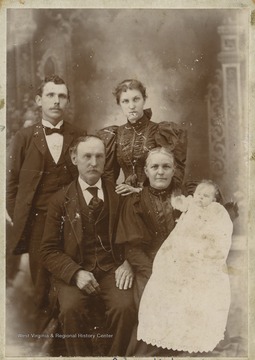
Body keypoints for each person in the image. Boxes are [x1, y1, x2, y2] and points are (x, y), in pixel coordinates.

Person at [40, 135, 136, 357]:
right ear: (74, 158)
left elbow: (134, 238)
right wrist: (75, 273)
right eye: (87, 156)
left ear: (105, 160)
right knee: (71, 310)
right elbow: (48, 250)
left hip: (112, 269)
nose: (94, 163)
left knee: (125, 308)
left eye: (99, 156)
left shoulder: (119, 195)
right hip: (75, 271)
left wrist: (128, 263)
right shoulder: (59, 200)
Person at [6, 74, 86, 314]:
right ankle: (45, 340)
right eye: (50, 95)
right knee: (41, 281)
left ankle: (67, 335)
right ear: (39, 100)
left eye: (62, 96)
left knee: (72, 275)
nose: (56, 101)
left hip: (73, 220)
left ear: (68, 102)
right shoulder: (24, 137)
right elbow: (11, 184)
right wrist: (22, 217)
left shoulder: (79, 134)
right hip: (38, 222)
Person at [137, 180, 233, 354]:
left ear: (215, 200)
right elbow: (177, 204)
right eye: (198, 194)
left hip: (201, 256)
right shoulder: (191, 205)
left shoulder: (215, 212)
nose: (200, 198)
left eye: (206, 196)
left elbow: (219, 237)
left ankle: (193, 341)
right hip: (181, 253)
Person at [116, 147, 180, 356]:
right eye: (155, 167)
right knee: (156, 303)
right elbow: (133, 250)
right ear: (146, 171)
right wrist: (157, 275)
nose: (160, 172)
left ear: (174, 170)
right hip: (148, 268)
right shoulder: (135, 201)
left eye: (166, 167)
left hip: (181, 267)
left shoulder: (184, 199)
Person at [97, 79, 187, 196]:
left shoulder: (161, 132)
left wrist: (139, 191)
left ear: (144, 100)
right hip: (125, 198)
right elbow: (108, 177)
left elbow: (174, 175)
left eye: (136, 99)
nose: (131, 106)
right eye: (125, 101)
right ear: (119, 104)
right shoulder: (115, 134)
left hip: (155, 198)